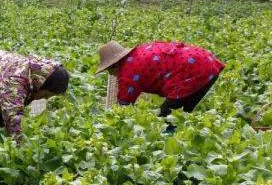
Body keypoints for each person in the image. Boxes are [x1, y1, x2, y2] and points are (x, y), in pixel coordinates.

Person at [96, 41, 224, 130]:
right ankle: (180, 140)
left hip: (192, 70)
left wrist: (114, 122)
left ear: (115, 64)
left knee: (165, 117)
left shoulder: (127, 71)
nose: (110, 74)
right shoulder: (137, 54)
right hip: (207, 63)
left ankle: (169, 146)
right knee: (182, 114)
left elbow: (124, 106)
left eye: (109, 69)